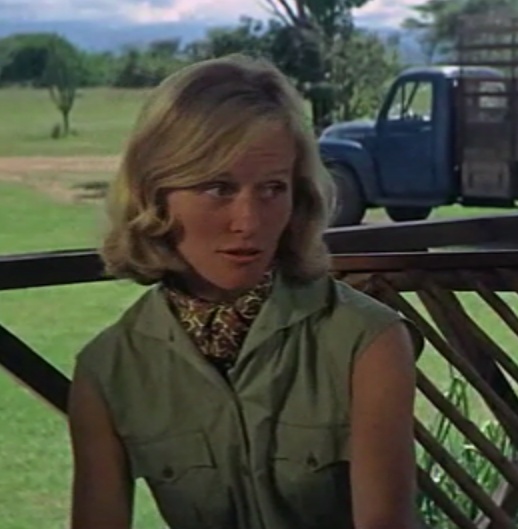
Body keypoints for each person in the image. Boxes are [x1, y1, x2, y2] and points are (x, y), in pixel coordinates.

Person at [67, 54, 424, 529]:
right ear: (156, 197)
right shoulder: (109, 370)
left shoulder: (367, 342)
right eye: (219, 188)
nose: (249, 223)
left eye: (273, 189)